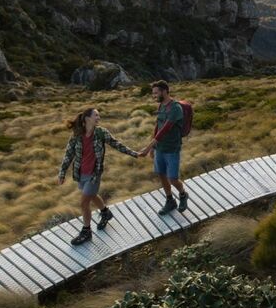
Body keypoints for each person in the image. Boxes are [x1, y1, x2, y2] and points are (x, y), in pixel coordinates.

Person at [57, 107, 142, 245]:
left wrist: (134, 153)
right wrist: (62, 173)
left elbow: (116, 144)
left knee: (84, 203)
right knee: (92, 195)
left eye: (98, 115)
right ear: (87, 118)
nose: (98, 118)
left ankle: (86, 232)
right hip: (80, 174)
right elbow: (69, 154)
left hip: (94, 174)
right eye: (96, 115)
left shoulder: (101, 132)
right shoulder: (77, 135)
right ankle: (105, 212)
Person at [139, 80, 188, 215]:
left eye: (156, 93)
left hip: (172, 149)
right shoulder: (161, 105)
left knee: (173, 178)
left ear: (165, 91)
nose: (154, 96)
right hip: (159, 148)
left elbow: (165, 130)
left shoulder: (175, 108)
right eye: (153, 93)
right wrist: (153, 148)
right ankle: (170, 200)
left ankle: (183, 194)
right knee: (161, 174)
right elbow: (158, 127)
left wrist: (147, 148)